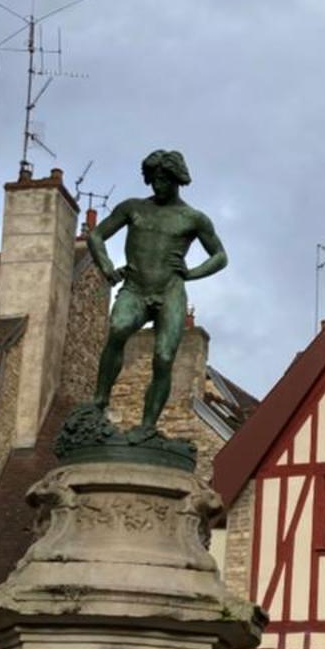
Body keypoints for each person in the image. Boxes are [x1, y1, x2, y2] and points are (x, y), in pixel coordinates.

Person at [86, 150, 227, 437]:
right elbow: (96, 235)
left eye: (163, 179)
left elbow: (220, 256)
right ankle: (99, 401)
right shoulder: (133, 208)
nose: (157, 185)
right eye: (153, 180)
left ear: (176, 179)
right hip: (135, 288)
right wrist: (107, 266)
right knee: (118, 329)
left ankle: (147, 426)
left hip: (170, 291)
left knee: (163, 357)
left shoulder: (193, 218)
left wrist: (191, 273)